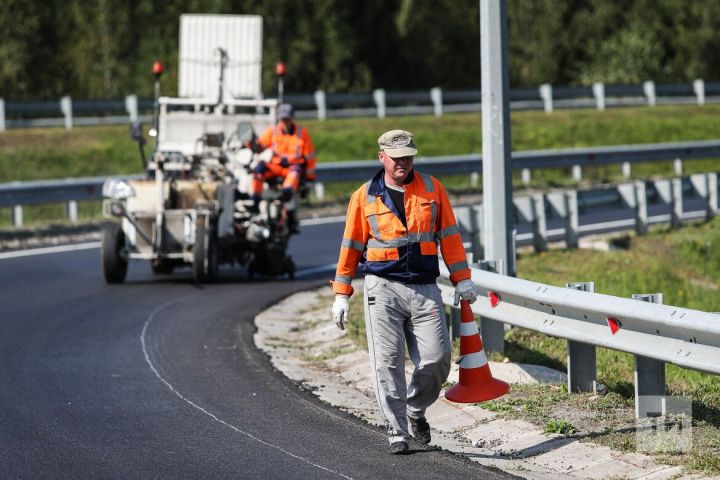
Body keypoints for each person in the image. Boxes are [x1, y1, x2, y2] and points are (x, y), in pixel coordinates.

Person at [330, 129, 478, 454]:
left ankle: (415, 409)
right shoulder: (364, 195)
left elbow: (449, 236)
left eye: (408, 156)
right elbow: (351, 246)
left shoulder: (432, 188)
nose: (403, 163)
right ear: (381, 157)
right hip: (382, 289)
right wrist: (341, 293)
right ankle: (396, 430)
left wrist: (462, 278)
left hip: (425, 288)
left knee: (437, 358)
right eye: (396, 158)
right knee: (387, 362)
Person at [250, 103, 316, 233]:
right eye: (283, 119)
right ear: (279, 119)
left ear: (292, 118)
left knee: (293, 178)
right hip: (275, 167)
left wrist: (309, 179)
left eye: (287, 119)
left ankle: (289, 216)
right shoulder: (272, 131)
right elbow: (260, 146)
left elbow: (310, 157)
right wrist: (252, 144)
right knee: (258, 169)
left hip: (292, 168)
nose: (285, 122)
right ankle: (255, 202)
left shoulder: (301, 133)